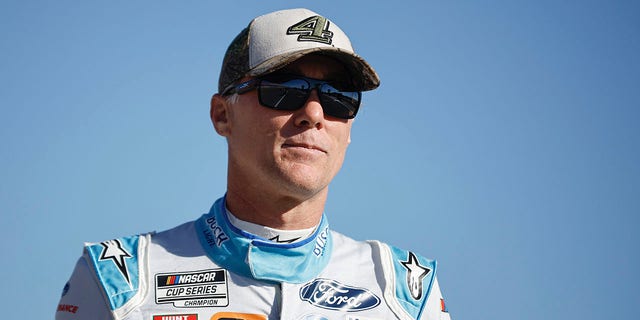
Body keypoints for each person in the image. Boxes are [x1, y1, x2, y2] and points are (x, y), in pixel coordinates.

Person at [55, 8, 452, 320]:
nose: (314, 112)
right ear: (221, 115)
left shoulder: (408, 290)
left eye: (338, 97)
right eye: (283, 90)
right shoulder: (119, 280)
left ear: (349, 127)